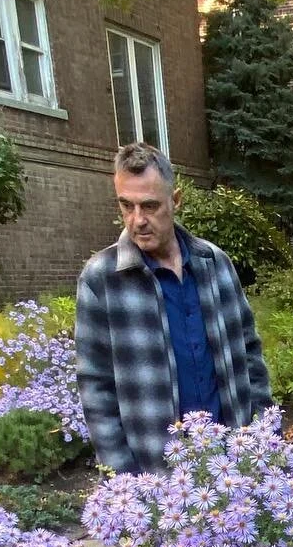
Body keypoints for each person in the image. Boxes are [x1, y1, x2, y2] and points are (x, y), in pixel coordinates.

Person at [75, 142, 272, 473]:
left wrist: (264, 434)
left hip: (230, 468)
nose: (137, 220)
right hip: (156, 476)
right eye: (127, 206)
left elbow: (249, 351)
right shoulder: (102, 279)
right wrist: (123, 477)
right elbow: (95, 387)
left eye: (150, 206)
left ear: (175, 200)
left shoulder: (215, 263)